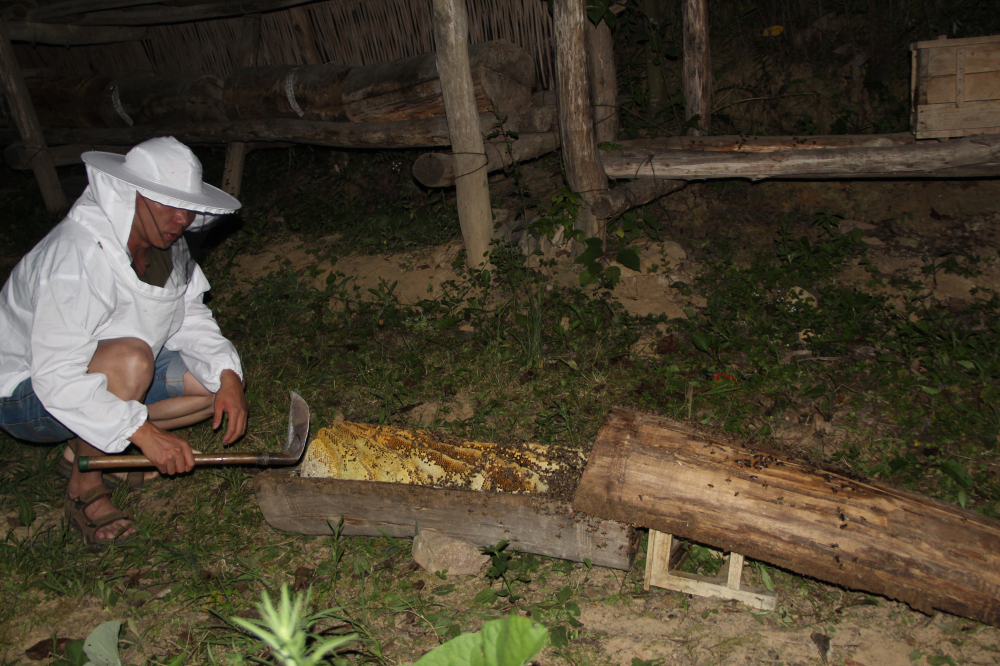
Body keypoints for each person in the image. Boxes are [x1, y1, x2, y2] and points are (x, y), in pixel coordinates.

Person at [0, 137, 248, 545]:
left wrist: (228, 376)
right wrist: (145, 435)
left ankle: (97, 449)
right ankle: (86, 487)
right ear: (129, 195)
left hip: (106, 372)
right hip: (26, 393)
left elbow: (189, 316)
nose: (182, 218)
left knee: (209, 389)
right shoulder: (77, 255)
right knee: (131, 360)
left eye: (188, 206)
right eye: (169, 204)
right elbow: (57, 375)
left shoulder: (165, 246)